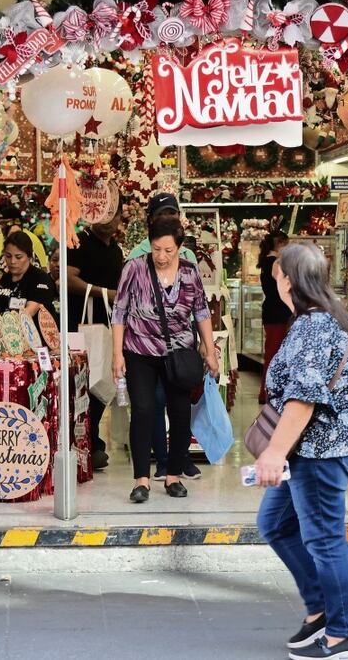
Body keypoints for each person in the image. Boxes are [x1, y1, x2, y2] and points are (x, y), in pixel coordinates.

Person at [255, 242, 348, 660]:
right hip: (324, 447)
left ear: (290, 280)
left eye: (277, 275)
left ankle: (343, 635)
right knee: (275, 523)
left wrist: (274, 453)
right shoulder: (336, 320)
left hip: (319, 452)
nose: (276, 282)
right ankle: (322, 607)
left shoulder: (313, 327)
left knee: (324, 539)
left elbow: (303, 399)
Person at [111, 216, 218, 503]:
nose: (161, 256)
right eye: (157, 249)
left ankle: (173, 476)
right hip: (139, 351)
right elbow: (119, 312)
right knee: (144, 410)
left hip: (179, 353)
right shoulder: (134, 268)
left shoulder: (189, 271)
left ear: (179, 248)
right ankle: (141, 479)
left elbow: (201, 311)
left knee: (180, 412)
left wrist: (209, 349)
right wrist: (117, 353)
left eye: (168, 250)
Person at [126, 193, 202, 481]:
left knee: (180, 404)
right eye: (162, 215)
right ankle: (158, 459)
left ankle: (178, 460)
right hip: (144, 345)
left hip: (179, 343)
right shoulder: (137, 256)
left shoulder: (188, 256)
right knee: (150, 404)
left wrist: (205, 344)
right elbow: (125, 305)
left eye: (172, 214)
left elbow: (198, 303)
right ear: (150, 221)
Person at [66, 197, 128, 471]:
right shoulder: (79, 242)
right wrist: (104, 294)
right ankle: (85, 443)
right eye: (104, 214)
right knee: (81, 384)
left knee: (104, 384)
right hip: (80, 326)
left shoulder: (115, 249)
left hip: (109, 328)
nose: (108, 221)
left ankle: (91, 442)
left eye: (114, 216)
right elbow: (68, 279)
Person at [0, 230, 57, 320]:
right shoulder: (3, 279)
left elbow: (30, 311)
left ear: (29, 257)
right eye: (8, 256)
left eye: (18, 257)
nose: (13, 261)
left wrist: (7, 325)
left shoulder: (41, 278)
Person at [259, 230, 291, 405]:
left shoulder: (266, 262)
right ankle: (268, 391)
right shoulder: (276, 263)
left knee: (272, 352)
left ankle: (267, 390)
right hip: (278, 313)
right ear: (280, 244)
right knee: (275, 354)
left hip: (271, 312)